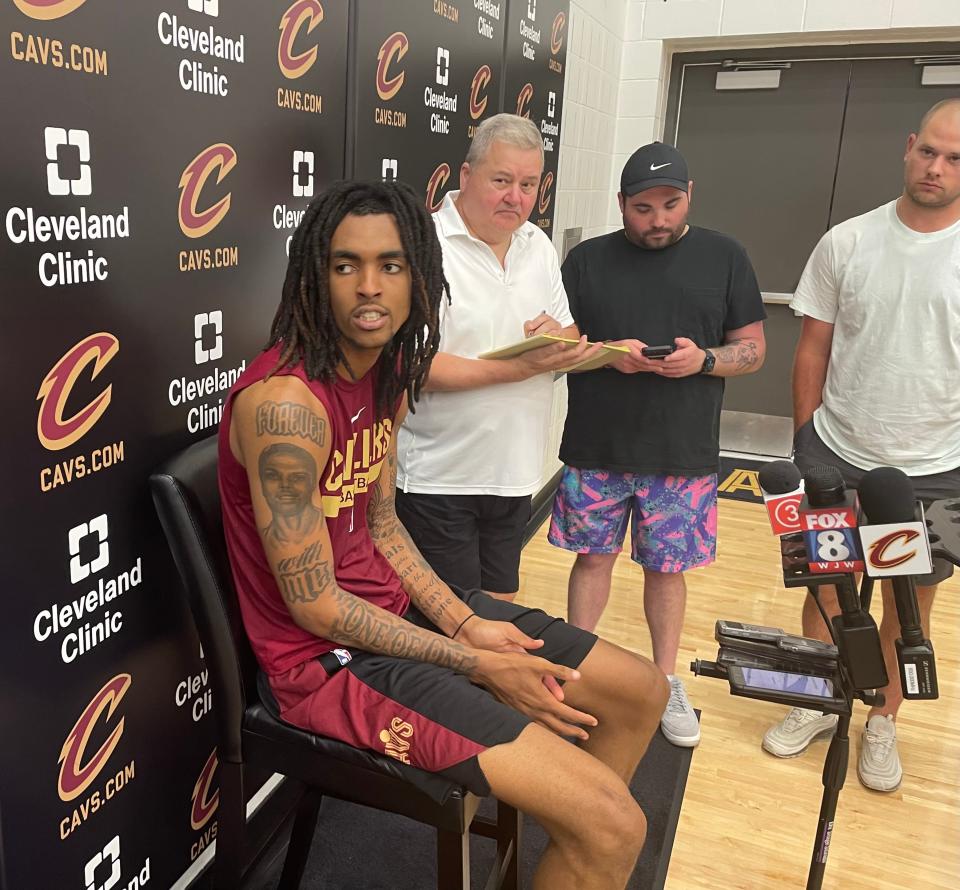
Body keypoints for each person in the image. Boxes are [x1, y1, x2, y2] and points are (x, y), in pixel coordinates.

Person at [218, 178, 669, 889]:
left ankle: (575, 851)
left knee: (640, 691)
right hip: (327, 664)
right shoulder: (287, 409)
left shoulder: (385, 369)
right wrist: (476, 662)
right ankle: (590, 832)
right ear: (315, 274)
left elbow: (382, 524)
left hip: (396, 617)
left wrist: (465, 623)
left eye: (391, 265)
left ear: (419, 277)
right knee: (617, 821)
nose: (370, 287)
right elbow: (315, 607)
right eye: (346, 265)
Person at [763, 98, 960, 792]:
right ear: (909, 147)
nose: (936, 167)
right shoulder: (847, 241)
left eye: (954, 158)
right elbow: (811, 348)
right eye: (928, 150)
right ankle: (815, 702)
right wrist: (804, 443)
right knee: (827, 591)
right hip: (834, 451)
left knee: (910, 606)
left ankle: (883, 719)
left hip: (937, 471)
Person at [548, 142, 767, 748]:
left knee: (666, 572)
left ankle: (667, 678)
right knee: (591, 559)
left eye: (670, 204)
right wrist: (609, 356)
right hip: (597, 446)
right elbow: (558, 348)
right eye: (643, 208)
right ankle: (575, 670)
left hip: (682, 452)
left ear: (689, 195)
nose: (658, 220)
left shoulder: (726, 256)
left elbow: (751, 350)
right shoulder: (586, 261)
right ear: (621, 204)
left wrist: (705, 361)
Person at [395, 113, 598, 601]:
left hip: (513, 473)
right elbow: (411, 367)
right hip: (438, 478)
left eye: (529, 184)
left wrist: (560, 338)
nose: (516, 197)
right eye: (502, 180)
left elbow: (567, 329)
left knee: (502, 616)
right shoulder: (423, 245)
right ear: (465, 177)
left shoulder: (538, 245)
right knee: (456, 635)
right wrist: (518, 368)